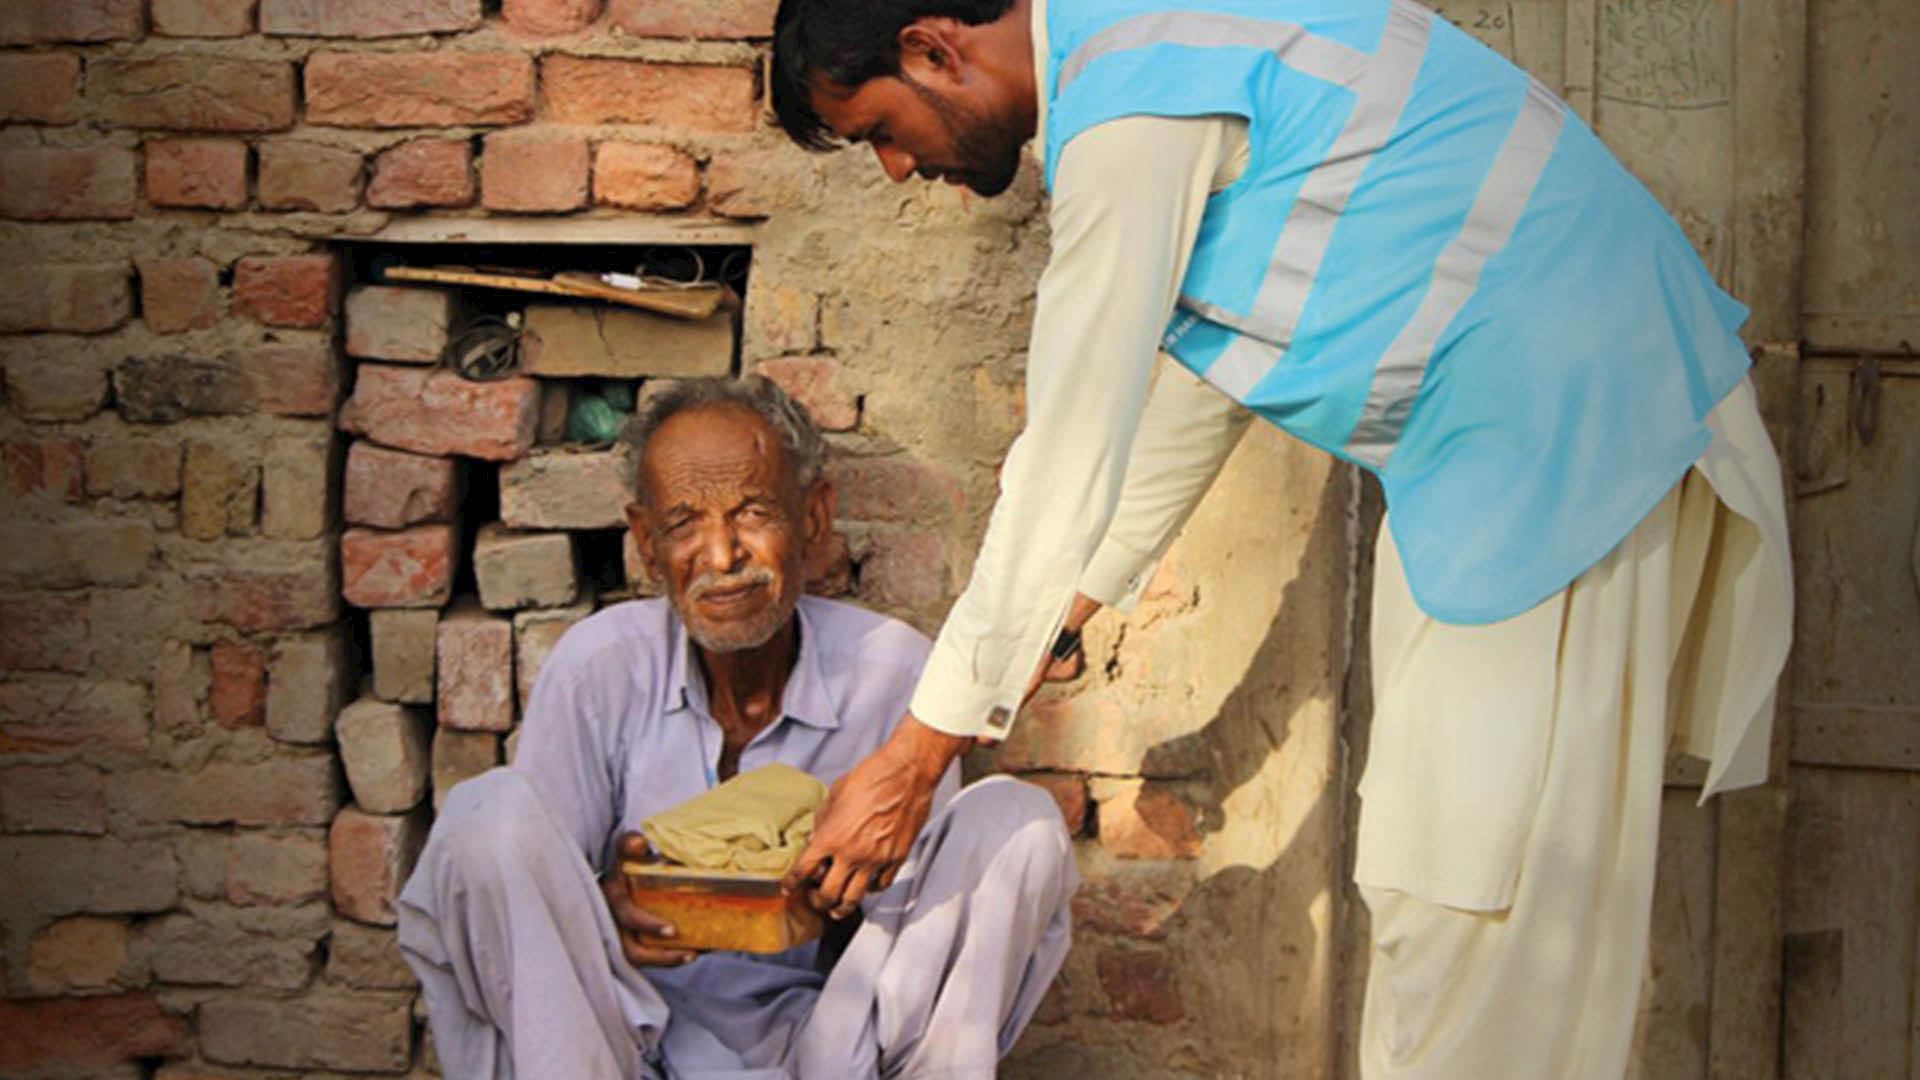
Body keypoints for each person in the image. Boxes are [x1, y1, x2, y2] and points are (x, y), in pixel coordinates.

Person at [766, 1, 1794, 1076]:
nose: (892, 168)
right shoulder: (1139, 53)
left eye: (879, 128)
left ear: (934, 48)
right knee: (1435, 894)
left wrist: (917, 757)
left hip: (1566, 429)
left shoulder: (1128, 104)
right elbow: (1198, 389)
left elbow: (1069, 447)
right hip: (1501, 450)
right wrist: (1059, 615)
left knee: (1478, 911)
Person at [396, 376, 1078, 1080]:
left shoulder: (897, 674)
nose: (721, 557)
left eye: (753, 513)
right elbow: (531, 913)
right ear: (645, 541)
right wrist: (602, 909)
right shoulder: (597, 668)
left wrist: (838, 900)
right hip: (621, 1043)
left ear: (813, 516)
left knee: (1017, 822)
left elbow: (913, 948)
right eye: (685, 523)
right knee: (487, 814)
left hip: (829, 1049)